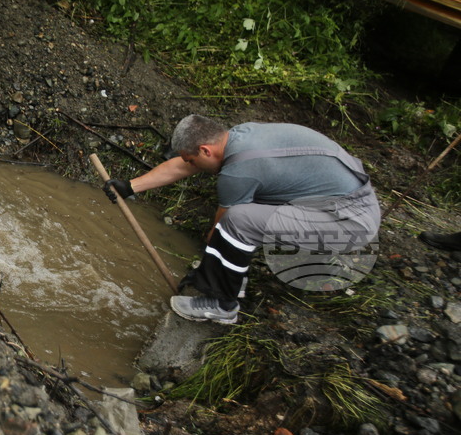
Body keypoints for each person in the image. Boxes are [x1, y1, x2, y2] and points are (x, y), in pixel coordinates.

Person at [104, 114, 381, 324]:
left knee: (238, 221)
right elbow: (181, 166)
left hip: (347, 224)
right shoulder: (238, 137)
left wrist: (208, 272)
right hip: (344, 200)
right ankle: (234, 279)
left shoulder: (239, 170)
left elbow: (220, 230)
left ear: (205, 150)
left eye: (192, 160)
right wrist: (131, 186)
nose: (189, 165)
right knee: (243, 217)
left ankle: (222, 306)